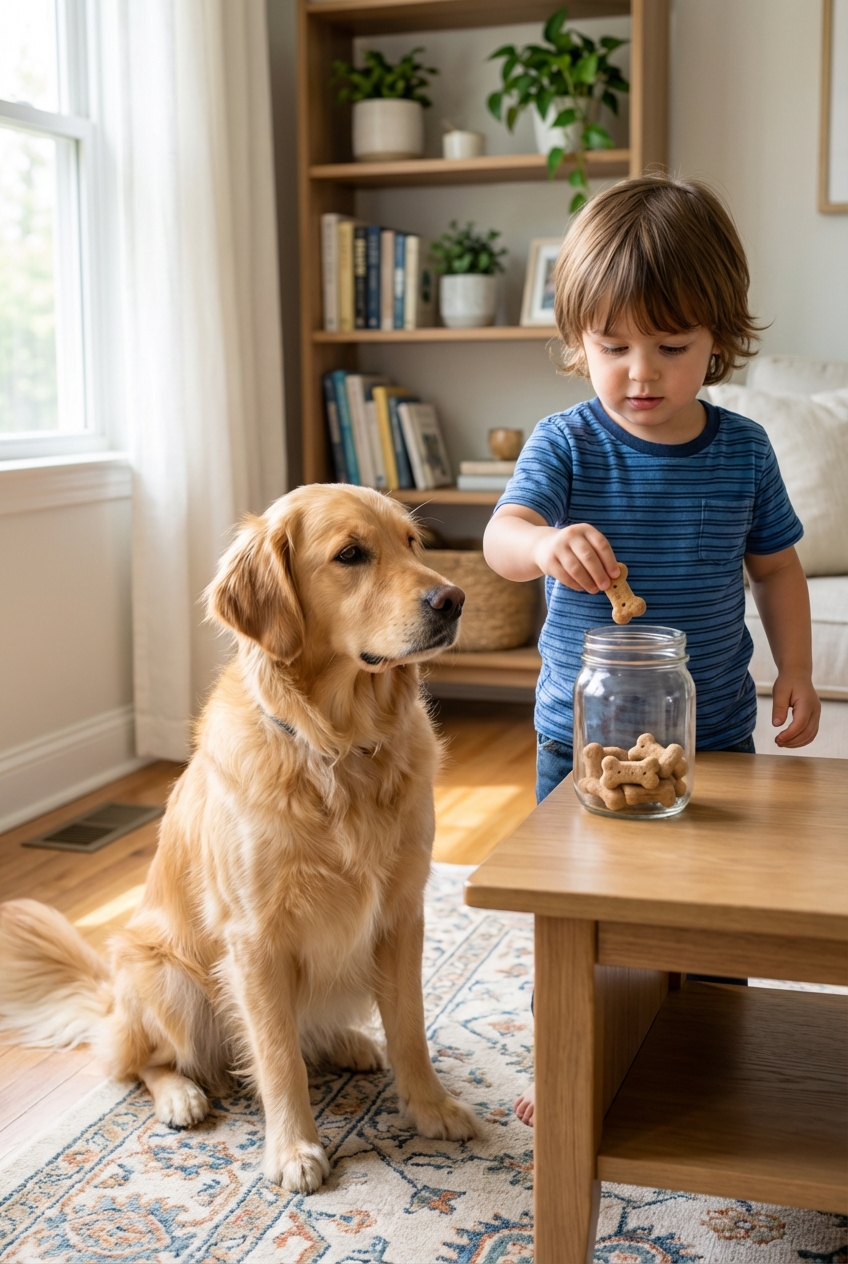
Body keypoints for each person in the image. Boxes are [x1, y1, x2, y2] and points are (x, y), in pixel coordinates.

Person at [482, 174, 821, 1127]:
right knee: (584, 913)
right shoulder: (568, 443)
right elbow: (501, 541)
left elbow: (778, 573)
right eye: (612, 346)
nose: (640, 372)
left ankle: (717, 1043)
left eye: (671, 347)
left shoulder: (744, 450)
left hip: (711, 728)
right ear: (576, 342)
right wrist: (544, 545)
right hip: (578, 739)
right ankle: (568, 1051)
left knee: (717, 912)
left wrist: (792, 669)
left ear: (720, 340)